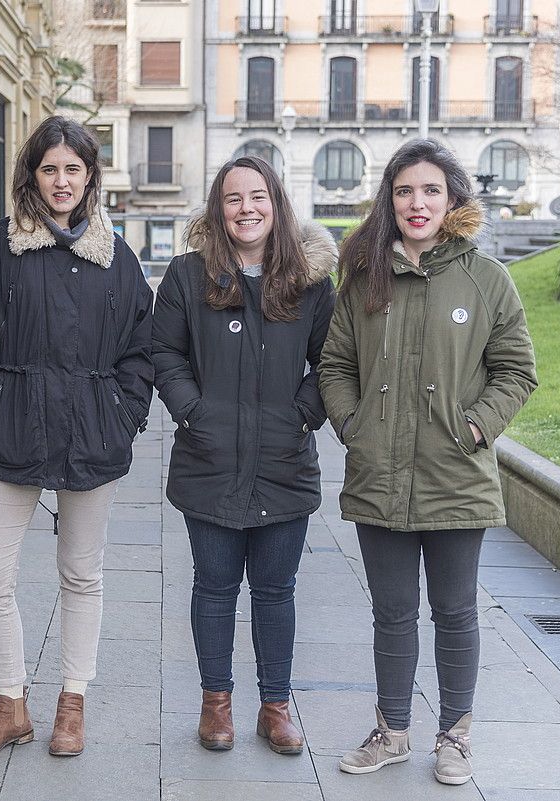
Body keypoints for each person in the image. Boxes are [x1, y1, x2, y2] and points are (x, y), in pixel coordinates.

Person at [318, 139, 537, 785]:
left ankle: (454, 737)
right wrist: (354, 426)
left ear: (453, 199)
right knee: (391, 611)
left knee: (455, 611)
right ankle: (391, 731)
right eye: (406, 190)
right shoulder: (363, 278)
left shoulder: (485, 278)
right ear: (390, 199)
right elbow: (334, 364)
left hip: (454, 474)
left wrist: (474, 426)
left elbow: (517, 370)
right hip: (379, 471)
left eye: (431, 191)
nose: (418, 202)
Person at [0, 115, 153, 759]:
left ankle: (72, 702)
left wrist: (123, 414)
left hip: (91, 434)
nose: (62, 181)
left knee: (81, 575)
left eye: (74, 169)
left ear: (90, 176)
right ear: (30, 175)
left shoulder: (115, 257)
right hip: (12, 430)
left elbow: (139, 348)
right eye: (50, 168)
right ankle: (10, 703)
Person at [153, 156, 337, 755]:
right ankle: (216, 703)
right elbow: (164, 356)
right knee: (213, 587)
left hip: (284, 461)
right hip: (209, 461)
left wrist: (302, 417)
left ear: (276, 205)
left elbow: (332, 363)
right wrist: (195, 414)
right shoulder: (187, 277)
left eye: (257, 197)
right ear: (217, 209)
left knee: (276, 591)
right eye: (233, 199)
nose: (246, 209)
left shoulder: (309, 282)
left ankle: (276, 704)